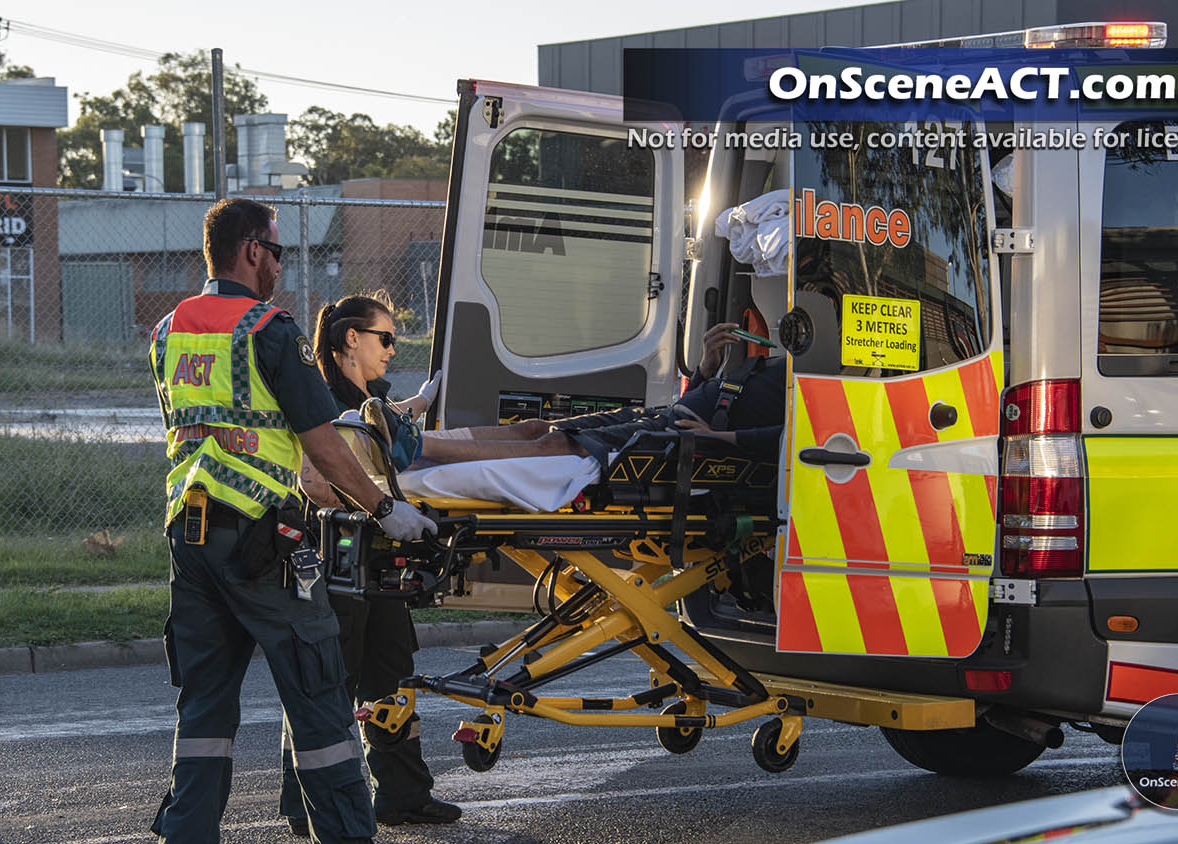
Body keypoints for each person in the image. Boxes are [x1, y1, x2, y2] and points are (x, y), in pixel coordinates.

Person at [147, 198, 436, 844]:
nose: (279, 265)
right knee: (320, 700)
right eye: (276, 252)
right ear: (252, 251)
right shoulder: (268, 329)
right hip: (261, 542)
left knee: (203, 712)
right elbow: (325, 446)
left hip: (190, 542)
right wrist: (386, 508)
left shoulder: (169, 330)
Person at [281, 295, 460, 832]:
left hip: (380, 562)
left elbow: (374, 428)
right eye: (385, 338)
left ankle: (403, 794)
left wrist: (418, 406)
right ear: (350, 341)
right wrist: (385, 502)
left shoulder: (366, 399)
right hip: (334, 564)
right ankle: (303, 803)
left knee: (391, 674)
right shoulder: (317, 397)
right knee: (328, 683)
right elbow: (318, 478)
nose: (392, 349)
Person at [414, 321, 786, 467]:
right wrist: (707, 367)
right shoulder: (781, 369)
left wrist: (716, 439)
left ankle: (419, 450)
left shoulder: (825, 385)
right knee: (534, 428)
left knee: (555, 445)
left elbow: (790, 439)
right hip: (664, 415)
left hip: (681, 437)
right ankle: (417, 439)